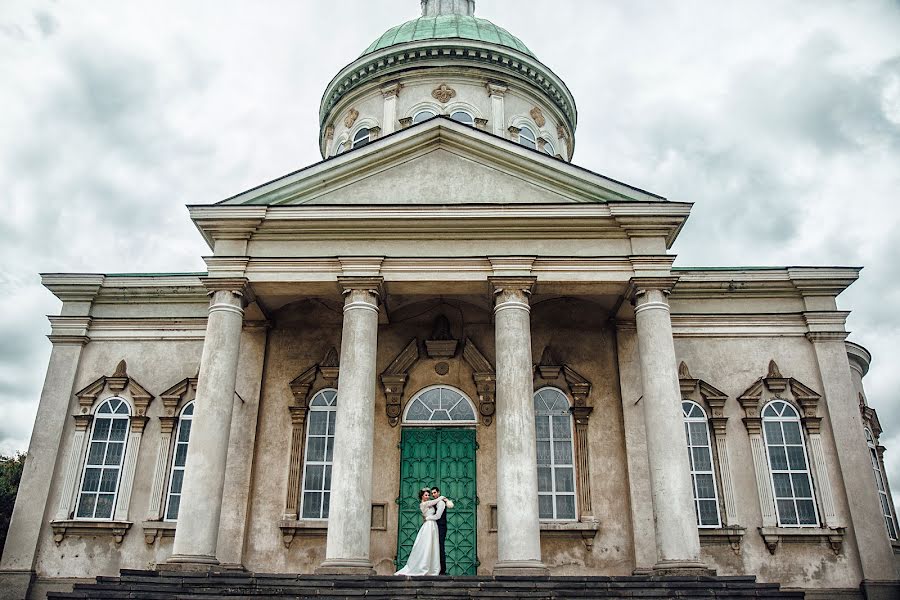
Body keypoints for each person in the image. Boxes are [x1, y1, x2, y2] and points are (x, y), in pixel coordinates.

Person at [394, 488, 446, 576]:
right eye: (426, 495)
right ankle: (423, 566)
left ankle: (432, 567)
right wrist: (442, 497)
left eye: (428, 495)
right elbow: (434, 502)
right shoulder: (424, 504)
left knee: (433, 546)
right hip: (428, 525)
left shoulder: (429, 504)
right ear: (422, 496)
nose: (428, 496)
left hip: (433, 526)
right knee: (427, 545)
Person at [430, 487, 448, 575]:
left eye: (434, 493)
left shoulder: (441, 503)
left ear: (438, 492)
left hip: (441, 527)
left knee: (440, 547)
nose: (433, 495)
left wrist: (428, 518)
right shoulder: (435, 502)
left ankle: (443, 570)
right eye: (432, 493)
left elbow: (438, 516)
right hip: (435, 527)